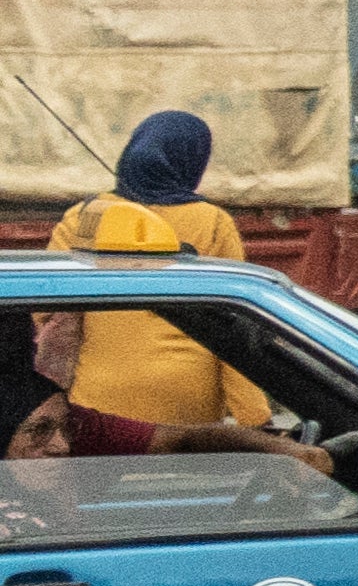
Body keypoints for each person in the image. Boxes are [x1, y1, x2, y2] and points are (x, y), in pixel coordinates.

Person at [52, 107, 256, 434]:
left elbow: (47, 313)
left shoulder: (83, 217)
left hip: (98, 402)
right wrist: (254, 418)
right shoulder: (213, 222)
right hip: (189, 407)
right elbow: (234, 329)